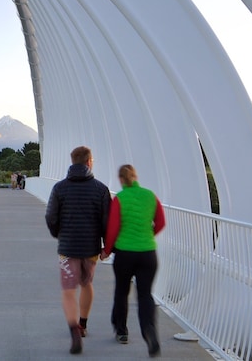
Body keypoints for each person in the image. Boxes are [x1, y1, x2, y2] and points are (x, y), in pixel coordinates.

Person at [45, 146, 111, 354]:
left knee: (68, 290)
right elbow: (107, 221)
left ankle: (73, 329)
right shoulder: (100, 189)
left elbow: (50, 217)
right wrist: (106, 246)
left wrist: (58, 234)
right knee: (86, 284)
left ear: (72, 162)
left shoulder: (59, 188)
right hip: (90, 247)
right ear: (89, 162)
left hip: (67, 247)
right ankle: (83, 323)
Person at [100, 164, 166, 357]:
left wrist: (106, 250)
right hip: (148, 253)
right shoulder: (150, 196)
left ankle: (121, 331)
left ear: (121, 180)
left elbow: (112, 229)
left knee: (122, 291)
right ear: (135, 177)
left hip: (125, 254)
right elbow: (161, 222)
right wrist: (148, 235)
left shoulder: (120, 199)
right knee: (145, 295)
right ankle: (150, 333)